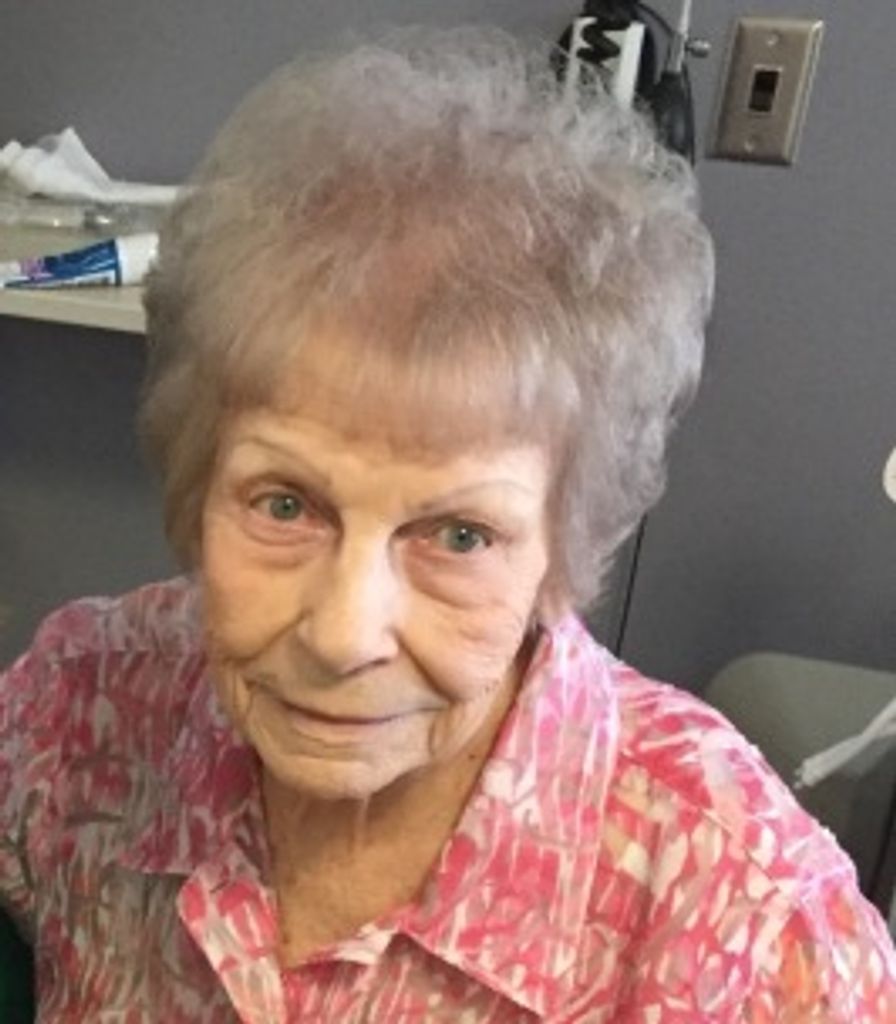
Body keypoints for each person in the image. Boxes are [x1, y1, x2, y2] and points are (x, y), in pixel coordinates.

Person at [1, 26, 893, 1023]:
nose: (344, 635)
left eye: (458, 535)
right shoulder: (80, 707)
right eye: (284, 504)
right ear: (196, 484)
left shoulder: (749, 925)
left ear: (562, 548)